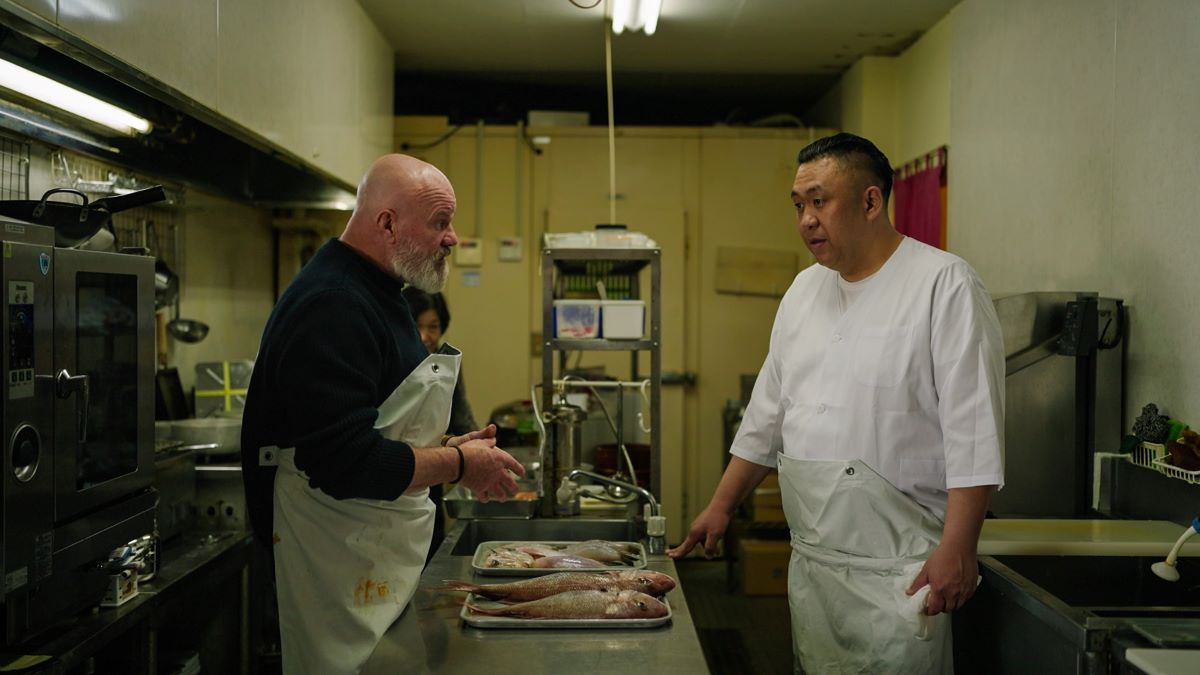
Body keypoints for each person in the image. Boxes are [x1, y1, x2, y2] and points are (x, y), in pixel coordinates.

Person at [668, 133, 1004, 673]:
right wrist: (722, 505)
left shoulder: (944, 285)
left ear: (871, 201)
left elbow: (974, 430)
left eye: (819, 201)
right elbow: (767, 414)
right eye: (799, 205)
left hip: (902, 570)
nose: (805, 220)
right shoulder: (803, 291)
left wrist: (960, 547)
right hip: (815, 568)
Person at [240, 154, 524, 675]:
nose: (453, 238)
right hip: (335, 563)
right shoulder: (334, 302)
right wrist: (457, 467)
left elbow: (379, 425)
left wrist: (453, 449)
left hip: (368, 555)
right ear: (387, 223)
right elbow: (343, 460)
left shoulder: (380, 291)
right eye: (440, 222)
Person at [401, 286, 479, 561]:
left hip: (431, 479)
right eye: (417, 326)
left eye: (433, 327)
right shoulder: (394, 360)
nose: (426, 336)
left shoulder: (445, 362)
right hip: (395, 477)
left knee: (429, 550)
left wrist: (479, 446)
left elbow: (462, 418)